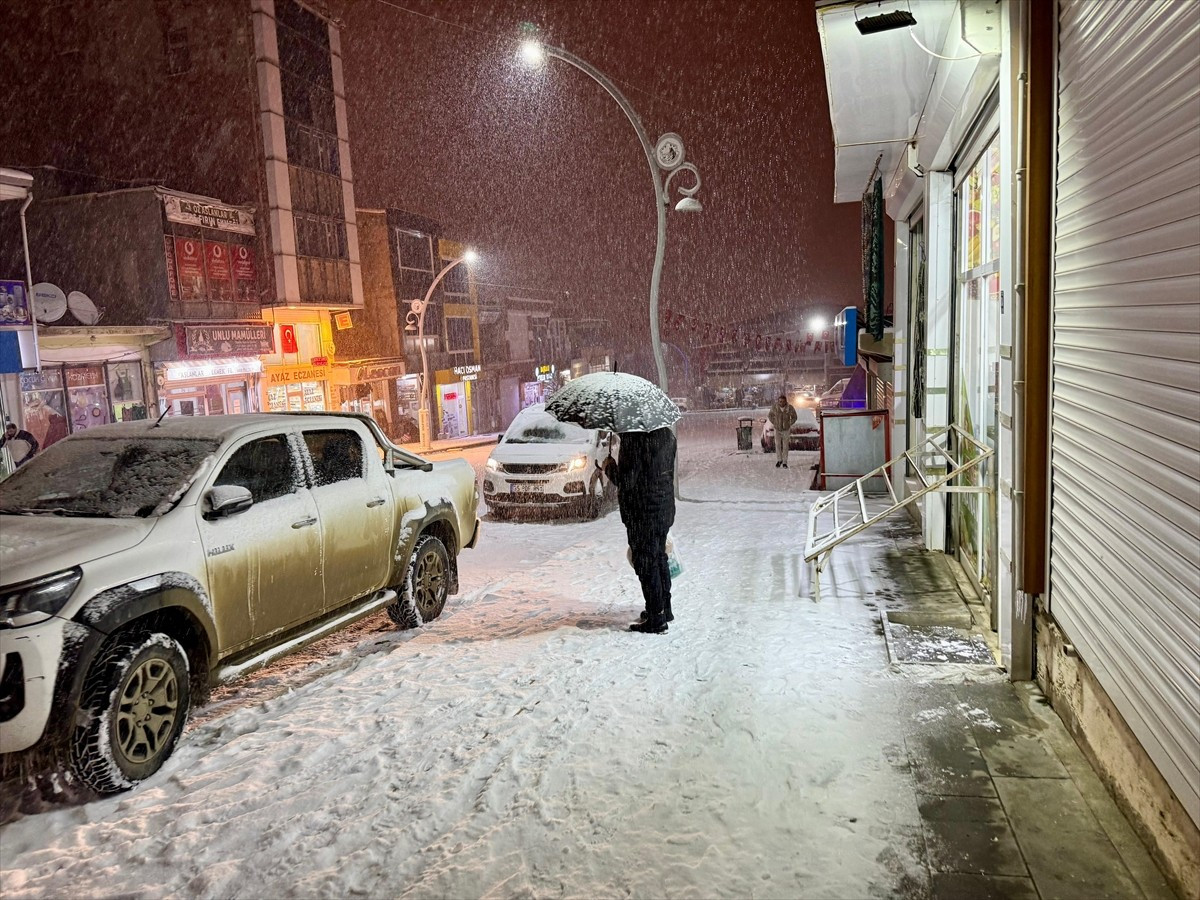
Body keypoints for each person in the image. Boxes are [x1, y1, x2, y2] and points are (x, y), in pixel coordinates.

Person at [603, 426, 676, 634]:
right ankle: (664, 608)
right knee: (659, 557)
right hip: (663, 508)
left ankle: (656, 617)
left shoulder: (634, 439)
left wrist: (610, 468)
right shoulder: (667, 435)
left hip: (642, 512)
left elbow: (627, 481)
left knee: (646, 562)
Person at [768, 394, 798, 468]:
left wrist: (789, 423)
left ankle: (785, 462)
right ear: (778, 401)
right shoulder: (775, 407)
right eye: (780, 401)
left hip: (786, 429)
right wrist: (775, 422)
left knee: (785, 446)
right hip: (777, 429)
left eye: (783, 401)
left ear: (785, 401)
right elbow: (770, 415)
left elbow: (794, 417)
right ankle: (779, 460)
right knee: (777, 445)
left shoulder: (789, 408)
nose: (781, 403)